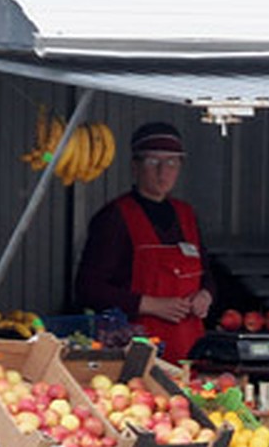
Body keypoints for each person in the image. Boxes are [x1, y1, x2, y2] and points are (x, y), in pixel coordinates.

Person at [74, 121, 214, 364]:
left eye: (171, 162)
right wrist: (149, 305)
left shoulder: (187, 214)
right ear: (135, 166)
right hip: (135, 356)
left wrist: (206, 296)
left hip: (191, 353)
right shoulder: (115, 217)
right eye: (153, 162)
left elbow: (209, 275)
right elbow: (88, 288)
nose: (163, 171)